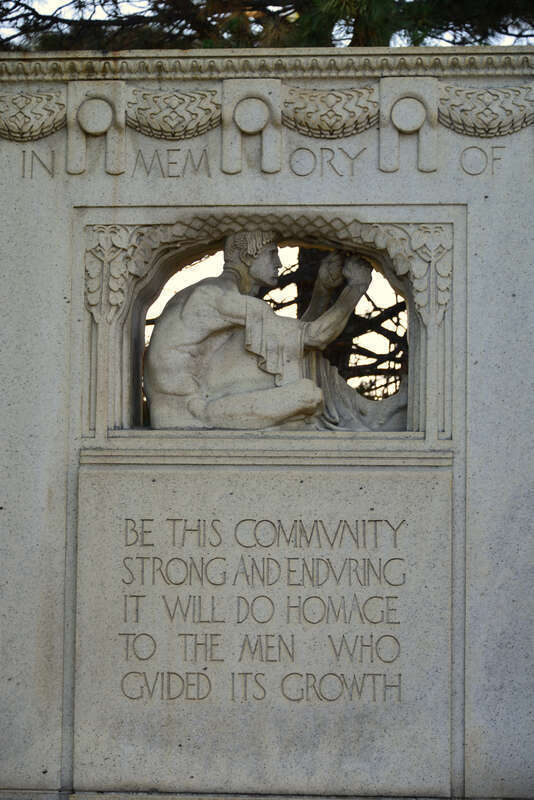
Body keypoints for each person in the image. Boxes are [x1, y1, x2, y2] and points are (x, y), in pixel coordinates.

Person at [144, 230, 377, 429]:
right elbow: (316, 336)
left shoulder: (212, 295)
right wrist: (357, 286)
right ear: (248, 255)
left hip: (182, 408)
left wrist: (322, 289)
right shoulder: (220, 298)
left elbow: (296, 342)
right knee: (309, 395)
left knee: (300, 375)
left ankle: (372, 412)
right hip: (192, 414)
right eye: (272, 253)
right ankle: (372, 416)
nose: (279, 264)